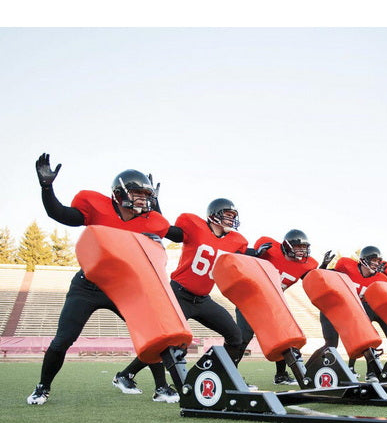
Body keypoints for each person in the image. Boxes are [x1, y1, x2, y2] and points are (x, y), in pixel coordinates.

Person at [28, 153, 181, 405]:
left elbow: (172, 233)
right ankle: (42, 387)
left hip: (124, 290)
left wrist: (159, 207)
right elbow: (61, 214)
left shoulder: (150, 221)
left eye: (146, 195)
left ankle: (162, 388)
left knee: (154, 334)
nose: (143, 200)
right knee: (63, 339)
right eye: (137, 194)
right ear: (119, 194)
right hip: (88, 285)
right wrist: (47, 188)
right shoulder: (97, 208)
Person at [113, 198, 248, 392]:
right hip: (178, 295)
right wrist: (155, 207)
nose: (230, 220)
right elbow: (168, 230)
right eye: (227, 215)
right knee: (165, 342)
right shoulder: (195, 227)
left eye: (233, 216)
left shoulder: (235, 241)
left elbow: (245, 256)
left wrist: (260, 255)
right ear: (213, 215)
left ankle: (224, 375)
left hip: (203, 299)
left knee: (236, 336)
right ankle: (126, 374)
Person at [235, 229, 320, 385]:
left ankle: (281, 375)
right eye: (298, 247)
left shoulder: (306, 264)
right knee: (242, 338)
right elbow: (236, 254)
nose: (301, 251)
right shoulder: (269, 250)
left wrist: (326, 266)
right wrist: (254, 253)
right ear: (287, 246)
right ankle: (230, 375)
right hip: (250, 300)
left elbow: (312, 278)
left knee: (283, 337)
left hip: (272, 303)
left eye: (304, 247)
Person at [319, 245, 387, 381]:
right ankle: (316, 369)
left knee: (368, 339)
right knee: (331, 343)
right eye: (373, 260)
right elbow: (321, 276)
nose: (376, 264)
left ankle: (371, 372)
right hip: (334, 307)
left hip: (356, 311)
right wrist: (324, 264)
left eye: (378, 261)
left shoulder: (381, 278)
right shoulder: (346, 268)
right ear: (363, 260)